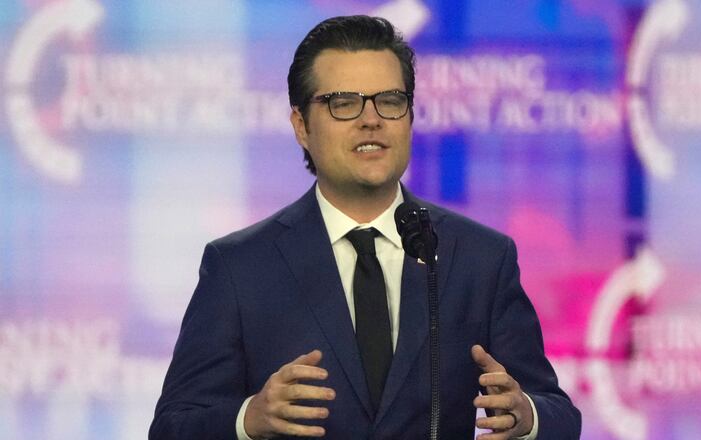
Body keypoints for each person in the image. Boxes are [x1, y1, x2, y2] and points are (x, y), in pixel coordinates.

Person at [150, 15, 581, 440]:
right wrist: (250, 418)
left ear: (409, 116)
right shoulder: (240, 266)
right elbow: (172, 427)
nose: (370, 119)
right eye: (343, 103)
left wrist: (527, 416)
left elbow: (558, 413)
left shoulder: (478, 259)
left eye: (390, 100)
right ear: (301, 125)